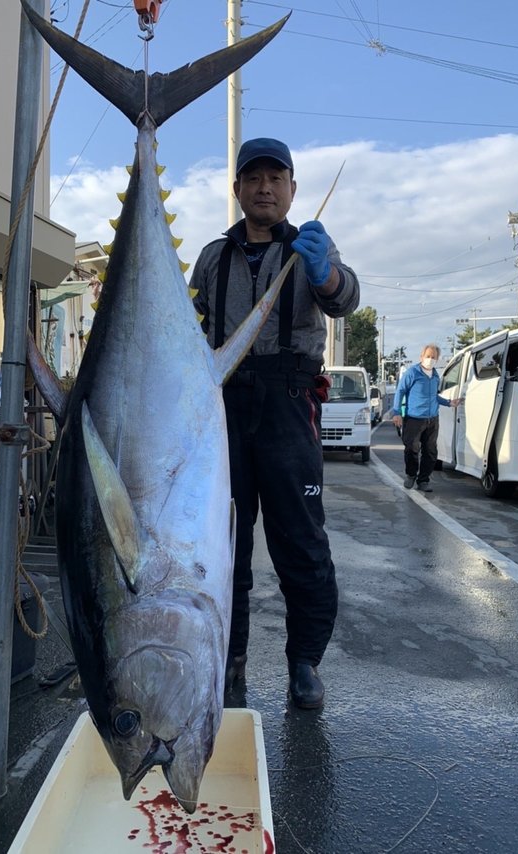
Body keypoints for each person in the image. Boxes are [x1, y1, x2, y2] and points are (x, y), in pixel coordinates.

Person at [191, 137, 359, 709]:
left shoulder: (312, 244)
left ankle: (304, 662)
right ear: (236, 189)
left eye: (276, 178)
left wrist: (326, 274)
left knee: (301, 543)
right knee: (223, 545)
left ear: (291, 188)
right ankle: (229, 658)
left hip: (290, 406)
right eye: (253, 177)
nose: (265, 187)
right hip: (224, 412)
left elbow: (344, 299)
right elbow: (186, 328)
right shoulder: (212, 258)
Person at [391, 344, 463, 492]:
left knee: (430, 452)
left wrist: (449, 402)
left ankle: (423, 480)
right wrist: (397, 412)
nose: (430, 359)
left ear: (437, 359)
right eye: (428, 356)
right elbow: (400, 391)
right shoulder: (412, 373)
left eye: (433, 357)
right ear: (421, 357)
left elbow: (434, 396)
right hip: (414, 419)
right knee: (411, 449)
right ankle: (411, 475)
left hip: (432, 420)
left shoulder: (436, 376)